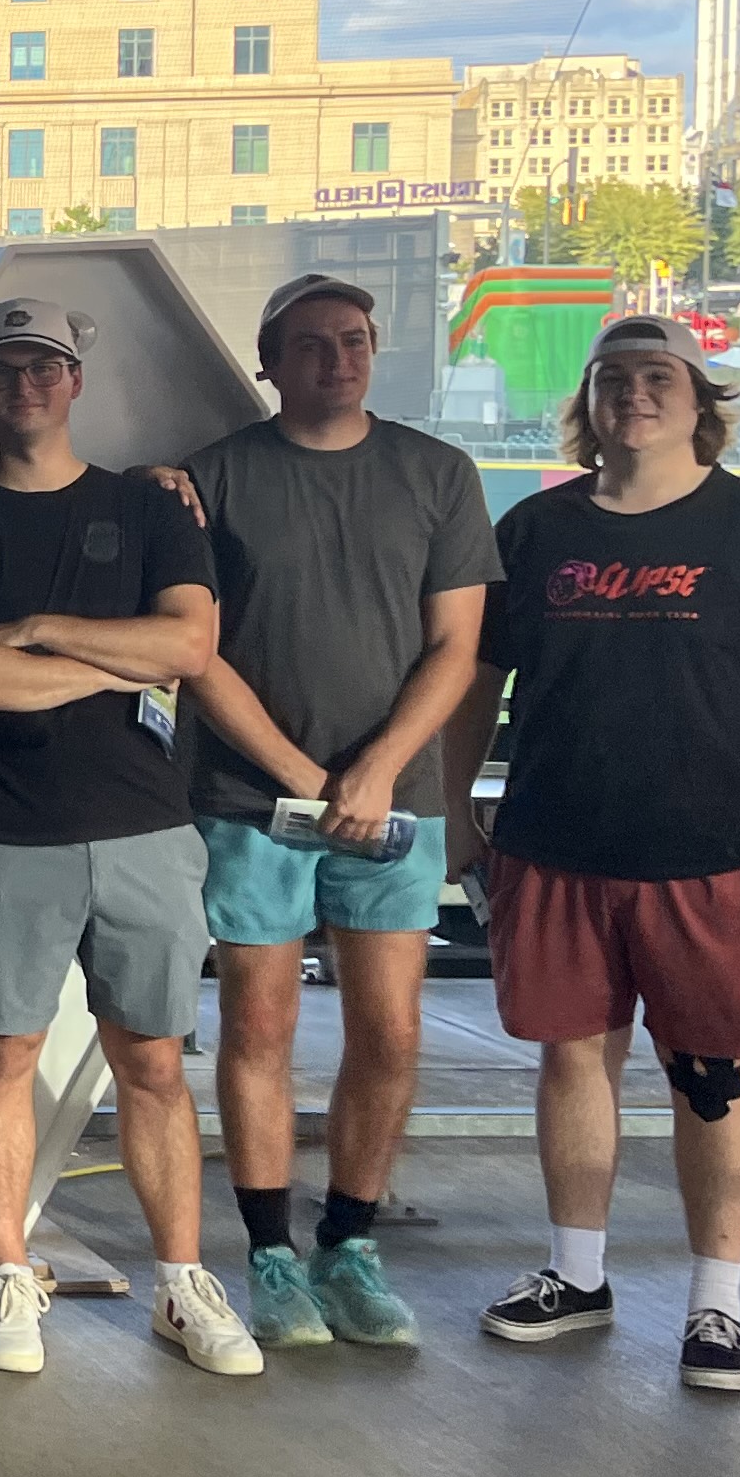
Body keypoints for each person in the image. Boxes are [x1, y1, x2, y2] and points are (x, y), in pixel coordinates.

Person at [446, 315, 740, 1397]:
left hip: (721, 865)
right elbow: (476, 687)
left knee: (711, 1079)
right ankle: (576, 1276)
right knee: (570, 1063)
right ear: (586, 405)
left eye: (657, 377)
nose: (634, 394)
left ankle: (716, 1307)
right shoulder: (536, 532)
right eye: (613, 378)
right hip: (555, 854)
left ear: (700, 405)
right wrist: (459, 815)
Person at [0, 297, 260, 1382]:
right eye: (3, 371)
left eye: (44, 368)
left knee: (150, 1061)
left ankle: (181, 1282)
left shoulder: (152, 511)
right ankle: (7, 1268)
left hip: (147, 825)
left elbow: (190, 645)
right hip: (10, 830)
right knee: (0, 1054)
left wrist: (45, 634)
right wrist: (121, 659)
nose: (26, 386)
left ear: (76, 382)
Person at [179, 274, 499, 1354]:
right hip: (248, 800)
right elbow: (197, 653)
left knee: (390, 1031)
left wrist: (376, 772)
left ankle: (351, 1243)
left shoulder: (437, 474)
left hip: (393, 806)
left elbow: (458, 647)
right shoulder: (214, 480)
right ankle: (271, 1252)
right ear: (270, 360)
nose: (337, 359)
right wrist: (301, 778)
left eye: (354, 341)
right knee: (258, 1026)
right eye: (311, 345)